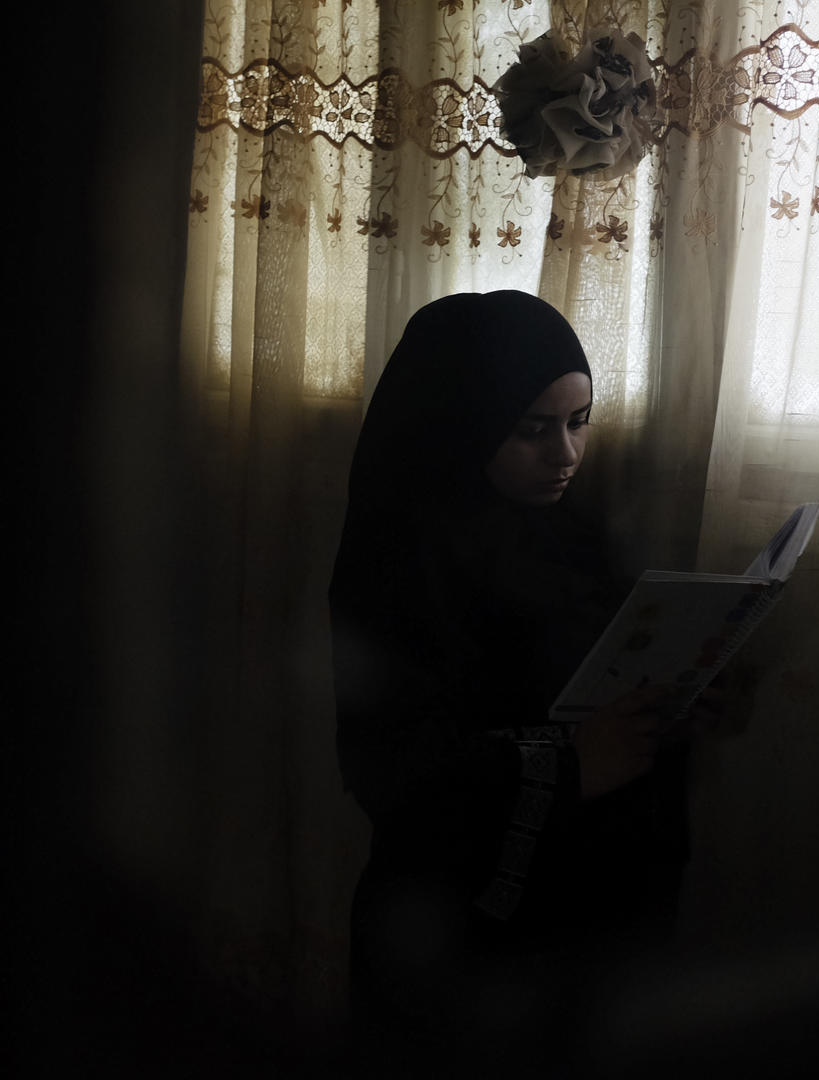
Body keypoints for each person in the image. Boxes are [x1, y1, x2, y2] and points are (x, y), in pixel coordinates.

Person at [329, 291, 702, 1075]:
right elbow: (391, 766)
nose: (565, 455)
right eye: (532, 429)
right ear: (460, 422)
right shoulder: (403, 562)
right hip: (455, 946)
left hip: (587, 928)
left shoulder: (573, 534)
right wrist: (567, 767)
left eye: (579, 422)